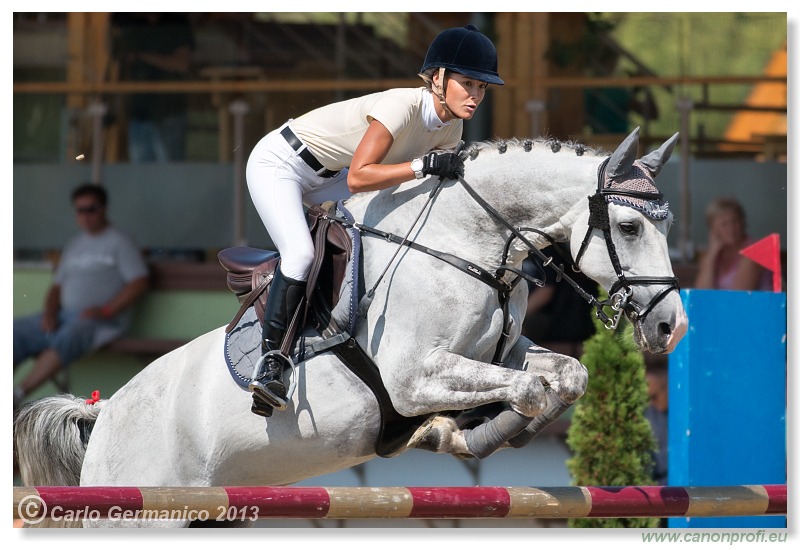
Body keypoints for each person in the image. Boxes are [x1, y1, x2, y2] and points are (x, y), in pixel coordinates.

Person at [245, 25, 504, 417]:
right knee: (298, 255)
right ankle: (270, 365)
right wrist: (421, 165)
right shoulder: (402, 107)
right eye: (467, 83)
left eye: (482, 87)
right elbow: (360, 177)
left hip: (330, 177)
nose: (476, 95)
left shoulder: (453, 126)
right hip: (282, 164)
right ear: (437, 78)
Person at [13, 184, 149, 409]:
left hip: (100, 321)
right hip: (63, 316)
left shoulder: (119, 241)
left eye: (91, 209)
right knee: (14, 331)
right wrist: (49, 313)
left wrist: (106, 310)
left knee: (71, 334)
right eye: (80, 210)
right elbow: (56, 287)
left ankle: (17, 396)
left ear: (104, 209)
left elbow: (139, 282)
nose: (85, 215)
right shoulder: (75, 244)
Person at [111, 13, 195, 162]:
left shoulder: (176, 22)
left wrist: (141, 56)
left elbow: (181, 64)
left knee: (170, 171)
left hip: (169, 111)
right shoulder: (130, 23)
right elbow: (117, 62)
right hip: (138, 112)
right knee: (141, 174)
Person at [693, 196, 771, 290]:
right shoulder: (713, 256)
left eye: (735, 221)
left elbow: (737, 297)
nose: (731, 228)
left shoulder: (754, 252)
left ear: (743, 223)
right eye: (724, 224)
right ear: (713, 229)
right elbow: (702, 294)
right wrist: (712, 254)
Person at [644, 364, 669, 486]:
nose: (652, 402)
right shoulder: (650, 414)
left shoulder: (682, 415)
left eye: (654, 396)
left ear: (667, 387)